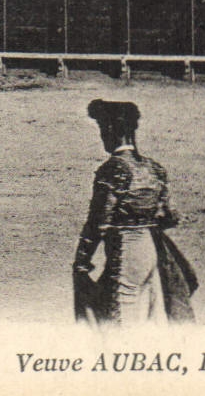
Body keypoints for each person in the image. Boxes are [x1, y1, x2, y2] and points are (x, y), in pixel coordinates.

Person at [73, 99, 195, 325]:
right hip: (154, 250)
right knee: (151, 317)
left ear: (110, 130)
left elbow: (98, 223)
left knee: (120, 318)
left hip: (126, 250)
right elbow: (168, 216)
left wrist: (82, 261)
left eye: (102, 129)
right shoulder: (154, 169)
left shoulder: (112, 169)